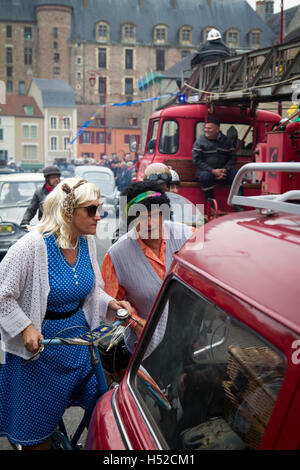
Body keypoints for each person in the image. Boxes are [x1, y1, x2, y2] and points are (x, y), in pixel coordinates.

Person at [0, 177, 131, 450]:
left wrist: (111, 304)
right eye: (91, 210)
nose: (99, 216)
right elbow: (3, 295)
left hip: (77, 344)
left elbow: (92, 291)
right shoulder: (31, 246)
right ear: (68, 212)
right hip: (38, 352)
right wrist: (25, 328)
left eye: (100, 209)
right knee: (37, 437)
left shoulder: (86, 242)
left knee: (102, 403)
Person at [101, 180, 193, 355]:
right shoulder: (117, 255)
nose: (150, 223)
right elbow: (111, 304)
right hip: (145, 346)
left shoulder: (187, 236)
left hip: (188, 336)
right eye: (142, 217)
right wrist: (135, 323)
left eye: (155, 214)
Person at [192, 115, 241, 207]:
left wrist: (225, 169)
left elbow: (233, 157)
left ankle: (239, 206)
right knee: (206, 177)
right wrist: (212, 171)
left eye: (209, 128)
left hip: (224, 172)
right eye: (205, 128)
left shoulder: (226, 141)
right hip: (206, 172)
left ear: (217, 129)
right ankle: (212, 206)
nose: (206, 130)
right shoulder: (200, 141)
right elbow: (196, 160)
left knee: (238, 175)